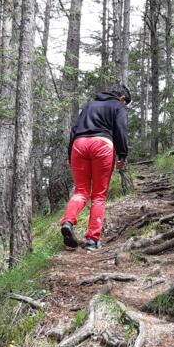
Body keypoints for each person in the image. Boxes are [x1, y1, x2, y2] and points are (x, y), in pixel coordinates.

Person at [60, 84, 130, 250]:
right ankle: (92, 239)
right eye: (126, 102)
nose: (125, 105)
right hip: (102, 144)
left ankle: (68, 222)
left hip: (79, 144)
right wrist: (122, 154)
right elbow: (121, 129)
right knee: (99, 195)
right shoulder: (118, 106)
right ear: (122, 97)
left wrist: (71, 153)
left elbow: (74, 129)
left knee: (80, 191)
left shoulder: (89, 105)